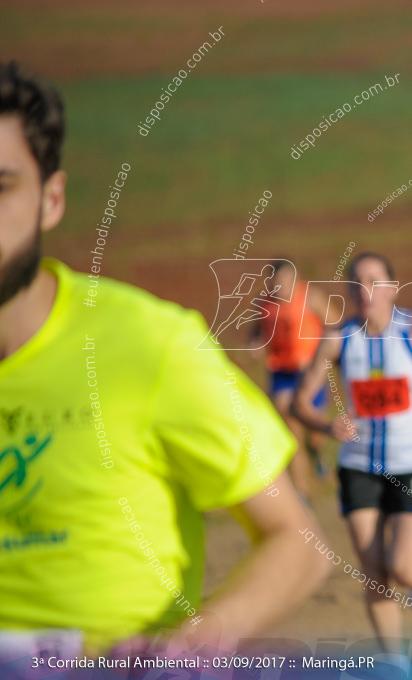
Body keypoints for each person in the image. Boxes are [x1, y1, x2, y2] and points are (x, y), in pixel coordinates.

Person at [0, 61, 329, 661]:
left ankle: (310, 469)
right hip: (279, 372)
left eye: (0, 186)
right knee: (288, 422)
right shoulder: (267, 301)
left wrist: (187, 652)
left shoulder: (150, 343)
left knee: (292, 429)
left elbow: (299, 543)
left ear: (51, 199)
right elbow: (260, 328)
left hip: (299, 373)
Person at [292, 252, 412, 659]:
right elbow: (301, 402)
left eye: (374, 280)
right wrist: (325, 425)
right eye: (355, 281)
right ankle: (395, 666)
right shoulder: (337, 340)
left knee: (404, 567)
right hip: (359, 466)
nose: (363, 290)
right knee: (375, 576)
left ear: (392, 287)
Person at [249, 260, 331, 498]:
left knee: (314, 431)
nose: (280, 286)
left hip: (309, 373)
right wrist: (255, 344)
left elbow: (336, 325)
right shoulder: (263, 304)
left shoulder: (311, 297)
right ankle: (301, 490)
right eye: (276, 282)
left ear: (294, 280)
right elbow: (256, 331)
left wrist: (326, 353)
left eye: (285, 281)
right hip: (281, 372)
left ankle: (318, 454)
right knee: (289, 426)